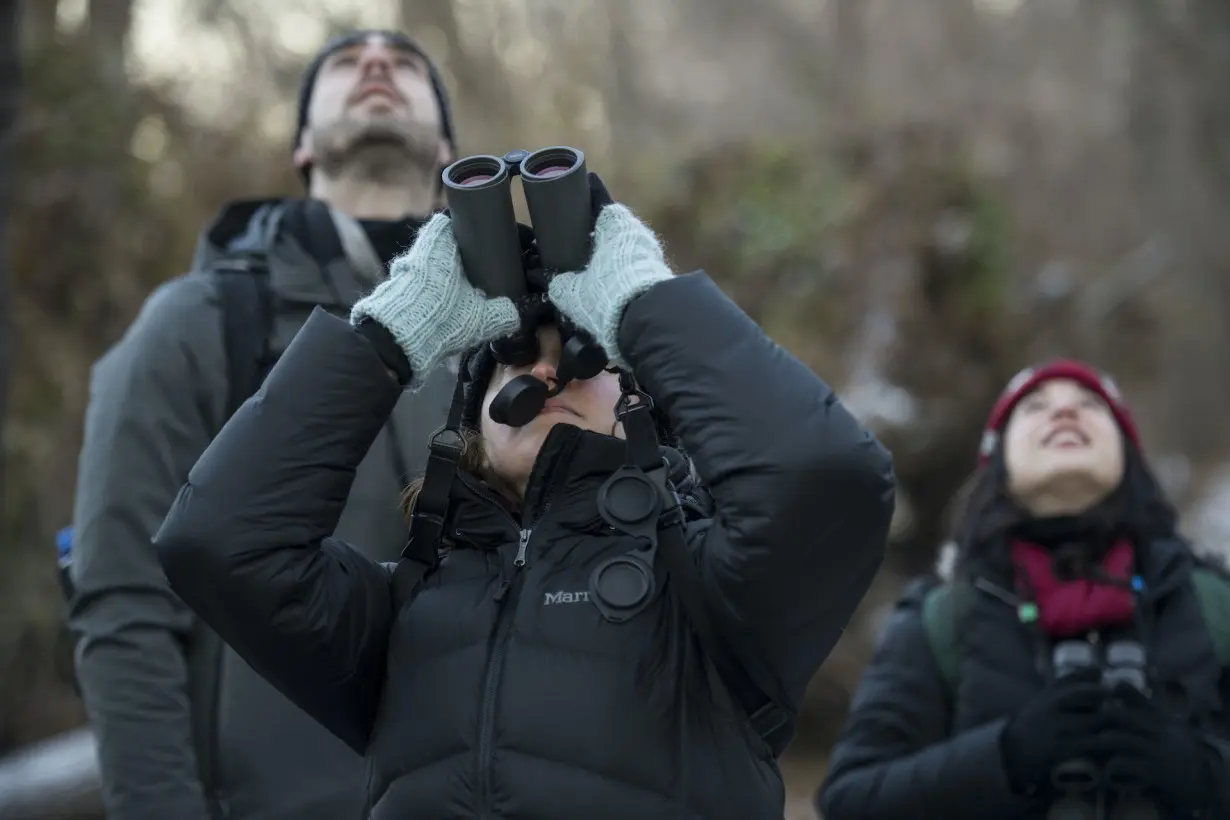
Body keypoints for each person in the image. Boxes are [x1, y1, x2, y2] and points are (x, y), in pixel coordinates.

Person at [152, 173, 897, 819]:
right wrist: (388, 337)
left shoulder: (714, 588)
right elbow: (218, 542)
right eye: (513, 364)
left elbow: (830, 478)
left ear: (640, 401)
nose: (546, 376)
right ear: (468, 424)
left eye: (584, 358)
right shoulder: (401, 614)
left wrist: (642, 304)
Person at [68, 30, 458, 820]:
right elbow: (123, 603)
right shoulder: (201, 322)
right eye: (346, 64)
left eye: (405, 64)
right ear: (303, 147)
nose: (377, 65)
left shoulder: (516, 342)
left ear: (451, 149)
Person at [817, 361, 1230, 820]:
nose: (1065, 414)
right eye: (1036, 407)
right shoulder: (942, 616)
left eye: (1090, 405)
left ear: (1128, 453)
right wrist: (1004, 756)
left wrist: (1200, 772)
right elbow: (849, 801)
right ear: (1000, 459)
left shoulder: (1211, 603)